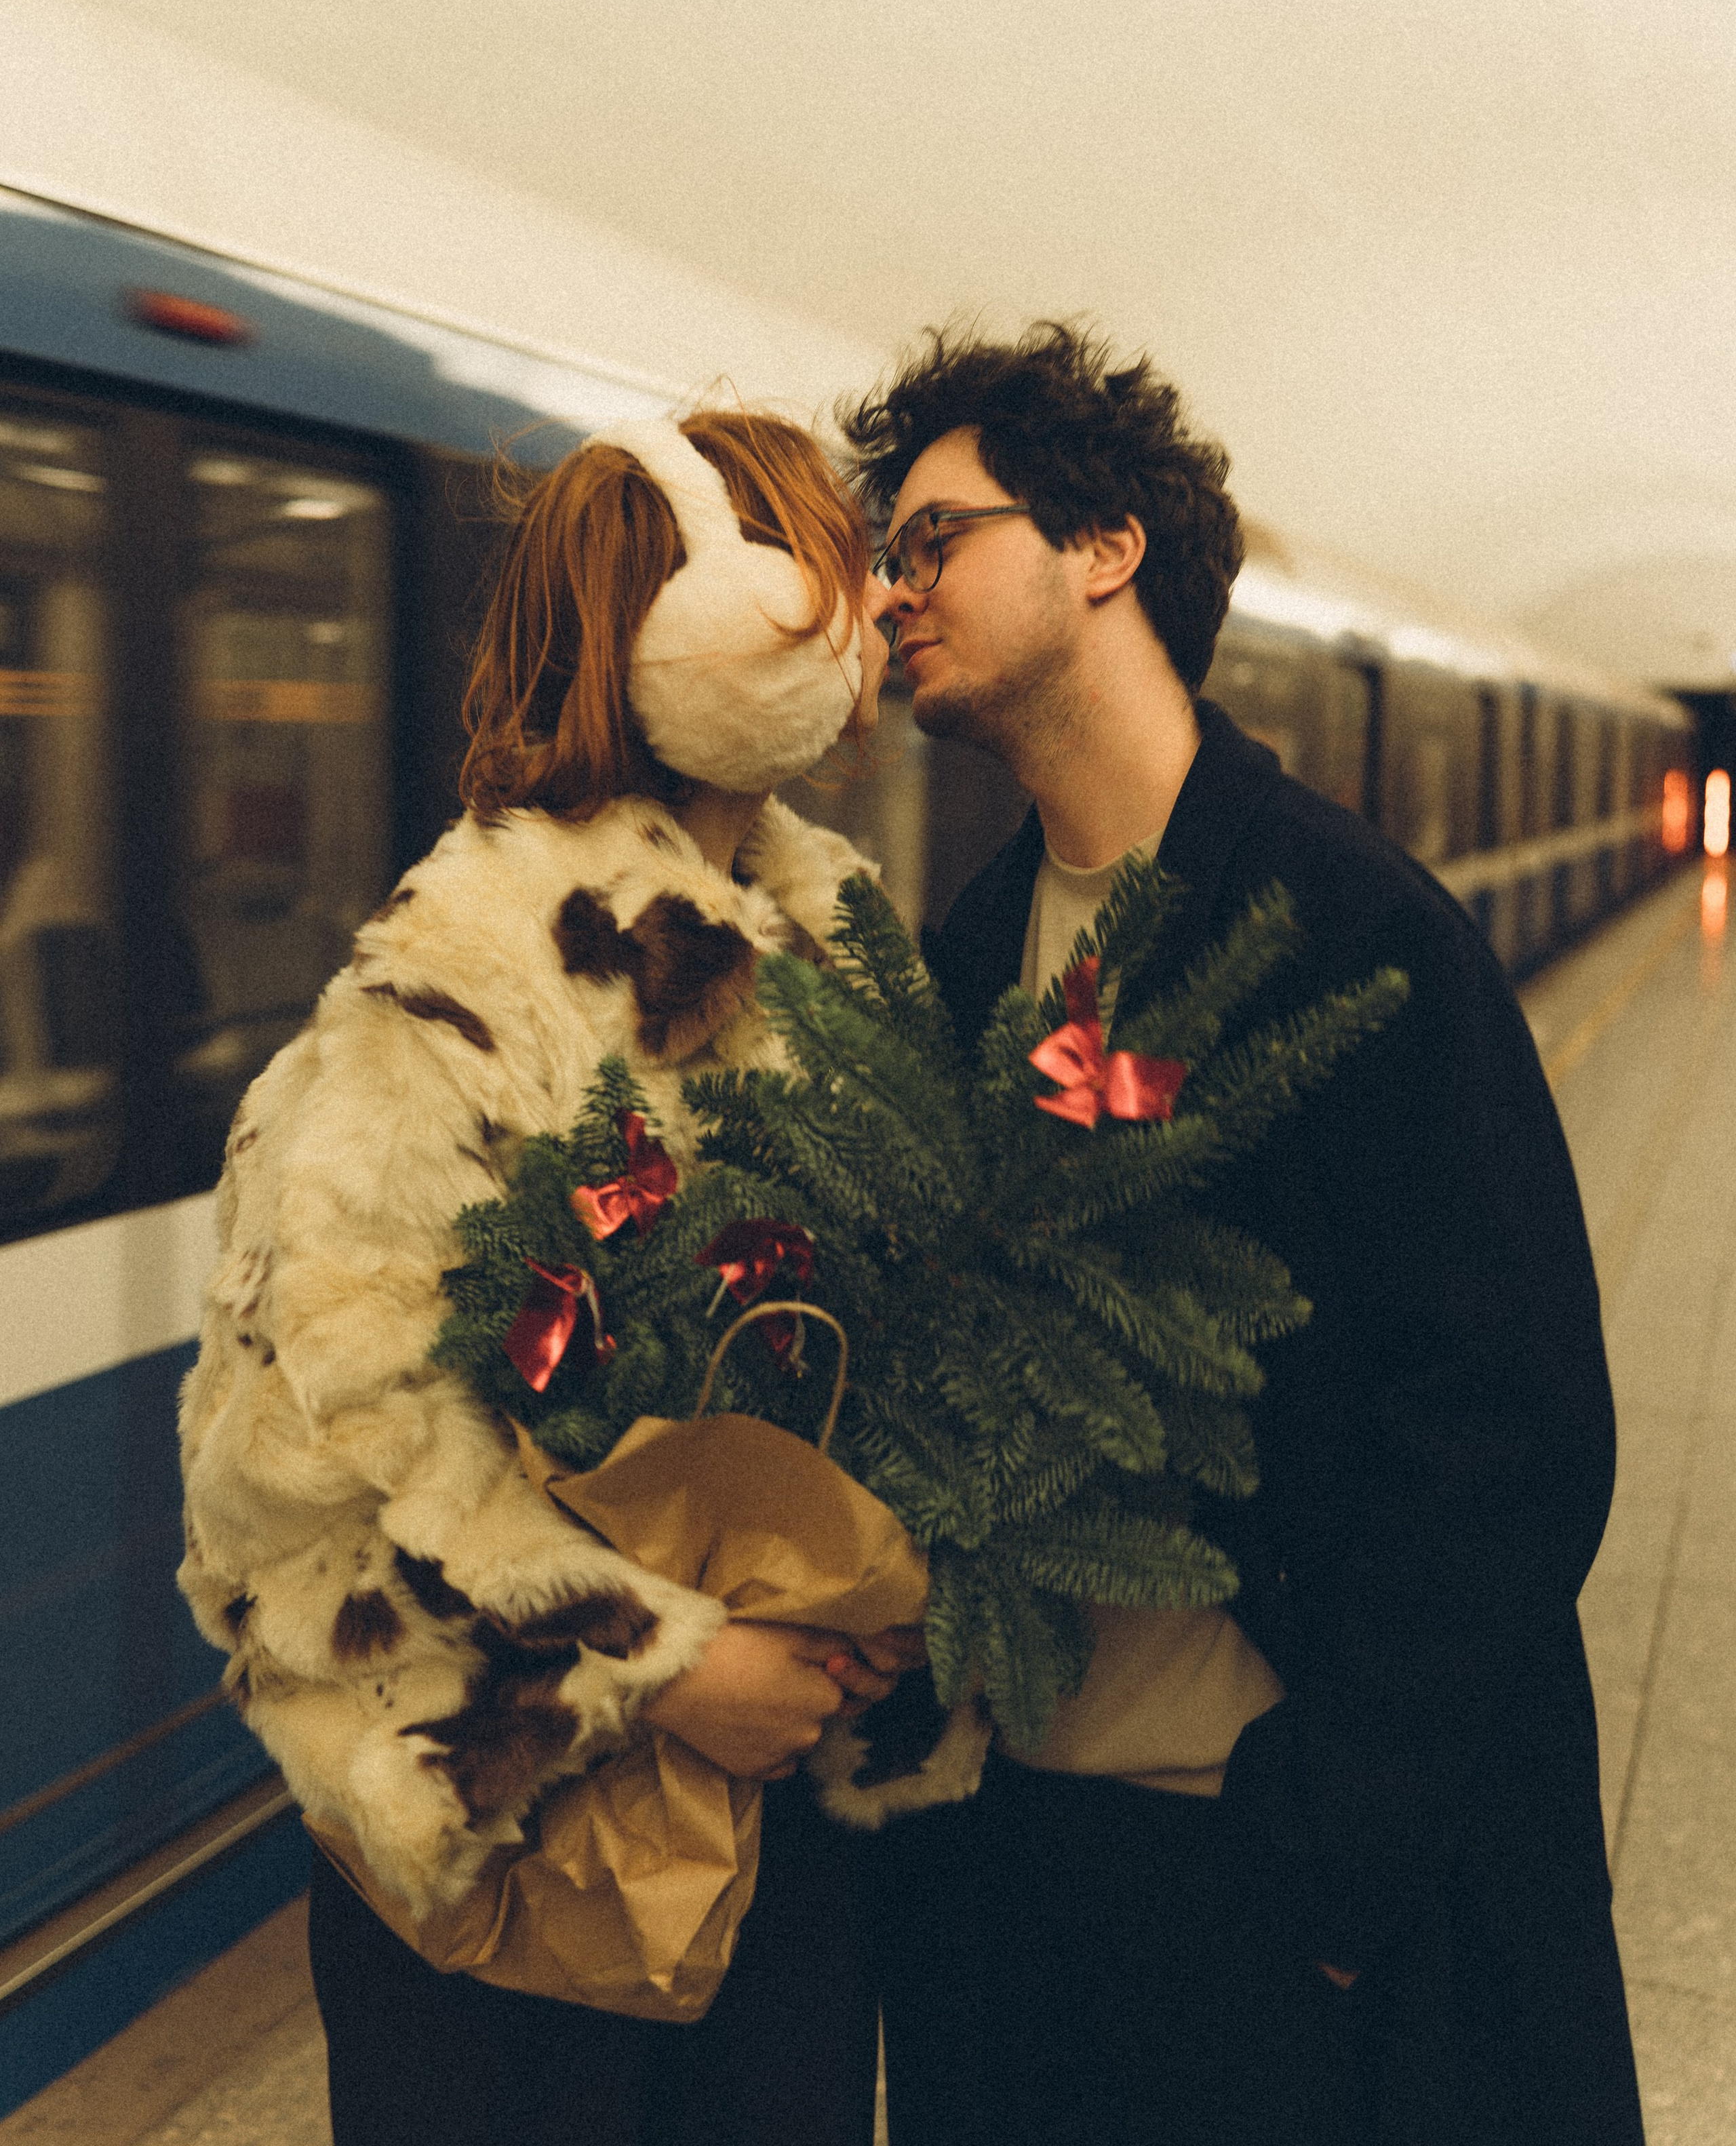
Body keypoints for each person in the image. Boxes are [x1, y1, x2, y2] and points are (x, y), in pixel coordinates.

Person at [842, 325, 1644, 2146]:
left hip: (1259, 1873)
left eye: (936, 538)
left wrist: (1327, 1853)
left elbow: (1517, 1431)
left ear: (1105, 545)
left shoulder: (1355, 932)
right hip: (1017, 1869)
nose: (896, 594)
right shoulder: (974, 952)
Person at [177, 408, 916, 2146]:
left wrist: (863, 1614)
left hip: (783, 1839)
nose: (869, 608)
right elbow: (302, 1490)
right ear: (695, 621)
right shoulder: (448, 990)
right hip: (521, 1880)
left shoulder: (843, 953)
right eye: (823, 565)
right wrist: (659, 1665)